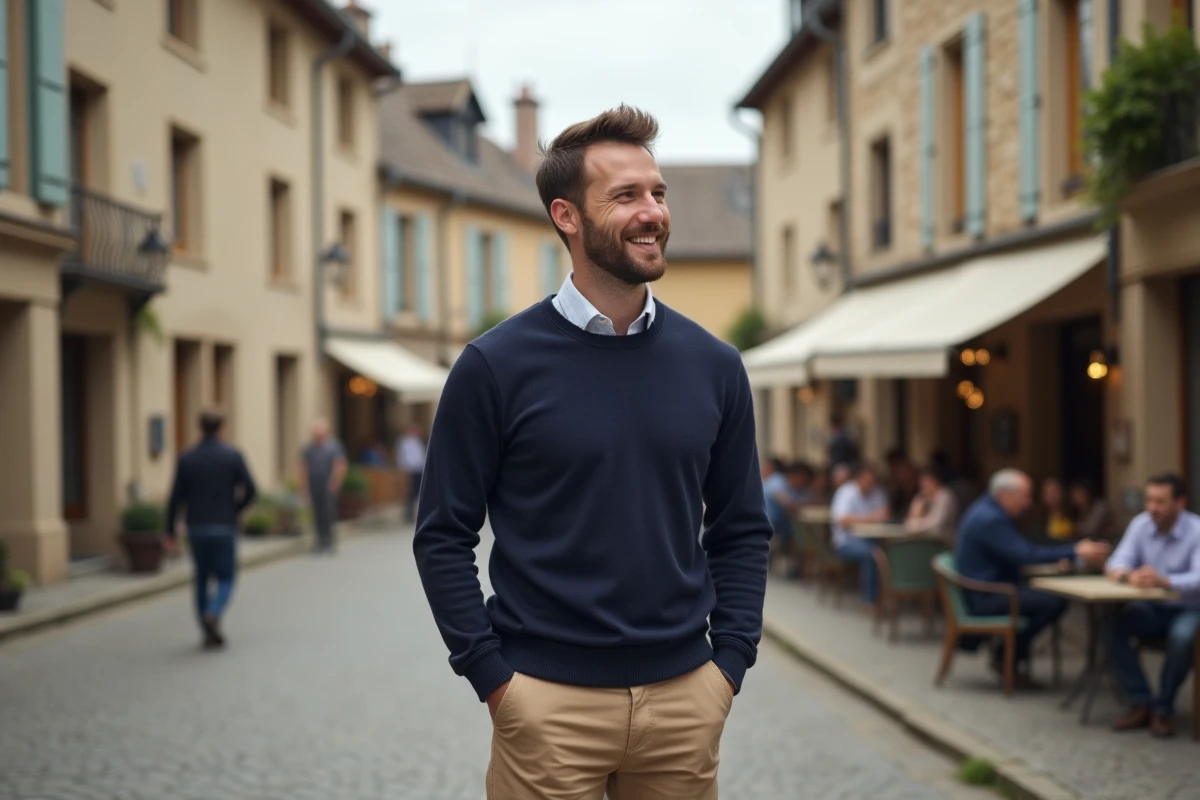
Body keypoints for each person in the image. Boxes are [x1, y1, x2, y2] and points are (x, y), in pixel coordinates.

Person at [412, 105, 772, 799]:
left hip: (685, 701)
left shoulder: (716, 365)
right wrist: (493, 677)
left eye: (658, 192)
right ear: (567, 216)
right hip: (546, 704)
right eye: (626, 196)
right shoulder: (494, 367)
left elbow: (741, 528)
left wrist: (728, 664)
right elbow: (442, 534)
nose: (653, 212)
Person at [955, 469, 1110, 688]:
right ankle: (1005, 657)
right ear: (1006, 494)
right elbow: (1025, 555)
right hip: (988, 596)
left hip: (990, 588)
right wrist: (1075, 550)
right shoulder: (991, 519)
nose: (1028, 504)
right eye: (1025, 496)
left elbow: (1020, 553)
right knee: (1052, 602)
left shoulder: (988, 511)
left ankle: (1007, 656)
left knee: (1048, 597)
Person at [1102, 473, 1200, 738]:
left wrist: (1164, 581)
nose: (1152, 508)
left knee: (1182, 638)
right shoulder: (1141, 524)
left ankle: (1163, 708)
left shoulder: (1196, 530)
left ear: (1180, 503)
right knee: (1113, 625)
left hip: (1189, 607)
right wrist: (1130, 576)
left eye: (1160, 501)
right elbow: (1115, 563)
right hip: (1153, 608)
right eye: (1149, 500)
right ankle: (1141, 700)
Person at [164, 410, 257, 649]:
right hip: (224, 526)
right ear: (222, 428)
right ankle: (213, 613)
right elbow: (251, 490)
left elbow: (175, 498)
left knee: (202, 578)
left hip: (196, 527)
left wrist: (170, 531)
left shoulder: (187, 458)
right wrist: (235, 509)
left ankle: (206, 628)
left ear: (200, 428)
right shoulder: (232, 455)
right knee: (226, 577)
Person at [830, 463, 890, 605]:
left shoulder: (878, 492)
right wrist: (870, 518)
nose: (870, 484)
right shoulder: (846, 492)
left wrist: (869, 519)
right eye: (867, 480)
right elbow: (843, 519)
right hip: (845, 541)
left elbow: (884, 514)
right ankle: (869, 600)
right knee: (872, 554)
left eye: (872, 481)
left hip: (872, 538)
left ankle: (889, 597)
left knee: (887, 552)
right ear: (858, 479)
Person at [300, 419, 347, 553]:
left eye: (320, 434)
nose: (318, 437)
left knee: (328, 512)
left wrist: (336, 482)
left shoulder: (333, 447)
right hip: (314, 484)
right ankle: (319, 540)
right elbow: (304, 466)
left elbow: (340, 464)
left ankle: (329, 540)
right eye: (316, 434)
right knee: (317, 513)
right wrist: (304, 486)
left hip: (328, 484)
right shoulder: (309, 448)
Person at [764, 461, 816, 576]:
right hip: (770, 522)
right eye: (803, 478)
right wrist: (801, 505)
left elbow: (810, 500)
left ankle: (795, 566)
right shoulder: (777, 480)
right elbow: (786, 503)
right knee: (797, 532)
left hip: (783, 524)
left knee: (801, 531)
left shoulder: (797, 489)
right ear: (796, 475)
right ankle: (794, 566)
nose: (803, 482)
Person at [905, 465, 959, 544]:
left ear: (935, 481)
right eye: (922, 481)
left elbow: (937, 525)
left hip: (945, 543)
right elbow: (908, 524)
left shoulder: (945, 496)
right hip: (924, 541)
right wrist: (917, 510)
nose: (923, 485)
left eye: (926, 481)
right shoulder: (920, 497)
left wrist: (917, 524)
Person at [395, 424, 427, 523]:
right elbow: (402, 457)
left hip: (419, 470)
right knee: (410, 493)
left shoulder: (417, 441)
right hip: (409, 470)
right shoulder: (404, 442)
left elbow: (421, 456)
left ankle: (416, 513)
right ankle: (408, 515)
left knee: (418, 492)